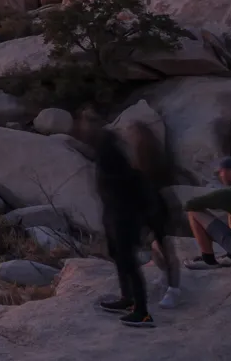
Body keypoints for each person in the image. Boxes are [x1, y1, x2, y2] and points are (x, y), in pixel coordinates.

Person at [87, 116, 159, 328]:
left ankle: (143, 312)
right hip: (114, 217)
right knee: (119, 258)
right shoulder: (107, 161)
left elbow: (126, 195)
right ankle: (128, 298)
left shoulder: (116, 164)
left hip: (125, 219)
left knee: (129, 262)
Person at [125, 123, 181, 309]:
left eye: (133, 134)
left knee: (164, 246)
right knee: (155, 245)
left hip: (160, 203)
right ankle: (166, 277)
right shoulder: (137, 159)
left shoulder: (153, 159)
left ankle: (174, 289)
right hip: (149, 204)